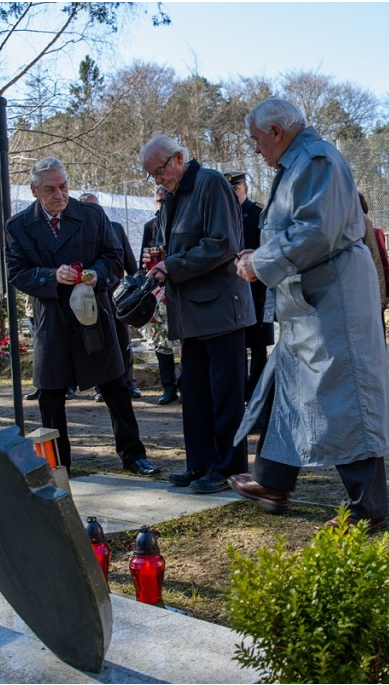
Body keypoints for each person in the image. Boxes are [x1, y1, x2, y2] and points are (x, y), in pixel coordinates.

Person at [228, 97, 389, 530]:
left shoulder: (317, 159)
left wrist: (259, 264)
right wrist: (261, 254)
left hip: (332, 298)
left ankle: (368, 510)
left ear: (277, 132)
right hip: (310, 300)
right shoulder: (299, 161)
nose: (256, 150)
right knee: (287, 389)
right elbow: (296, 229)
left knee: (345, 395)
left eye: (258, 140)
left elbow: (317, 230)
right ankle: (272, 483)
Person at [5, 157, 160, 476]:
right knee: (50, 392)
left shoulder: (91, 215)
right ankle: (58, 463)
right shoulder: (18, 226)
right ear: (35, 190)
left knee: (115, 385)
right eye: (50, 189)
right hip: (53, 318)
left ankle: (133, 454)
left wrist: (95, 273)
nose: (59, 194)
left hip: (94, 315)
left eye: (63, 186)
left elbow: (115, 257)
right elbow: (17, 273)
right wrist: (50, 276)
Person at [139, 134, 255, 494]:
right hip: (189, 312)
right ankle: (200, 464)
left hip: (220, 310)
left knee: (225, 396)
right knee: (195, 394)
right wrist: (156, 259)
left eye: (159, 171)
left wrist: (171, 265)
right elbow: (178, 245)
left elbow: (222, 244)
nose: (157, 180)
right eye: (151, 175)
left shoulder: (211, 183)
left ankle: (228, 469)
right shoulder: (173, 195)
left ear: (177, 158)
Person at [79, 192, 142, 402]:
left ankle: (129, 383)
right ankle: (102, 387)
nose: (95, 212)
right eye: (89, 208)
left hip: (118, 294)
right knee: (99, 342)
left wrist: (138, 285)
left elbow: (128, 261)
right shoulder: (78, 233)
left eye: (97, 207)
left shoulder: (115, 228)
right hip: (92, 298)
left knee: (123, 340)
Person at [224, 171, 274, 400]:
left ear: (245, 189)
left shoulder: (257, 214)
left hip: (256, 291)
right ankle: (241, 394)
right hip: (231, 292)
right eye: (229, 190)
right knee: (236, 348)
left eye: (236, 189)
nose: (233, 194)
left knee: (258, 347)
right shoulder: (222, 216)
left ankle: (258, 396)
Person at [141, 185, 181, 405]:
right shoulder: (151, 226)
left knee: (185, 342)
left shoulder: (181, 223)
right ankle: (168, 386)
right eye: (159, 200)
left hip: (181, 289)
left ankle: (186, 384)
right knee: (161, 341)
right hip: (158, 293)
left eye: (166, 199)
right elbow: (142, 263)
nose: (162, 204)